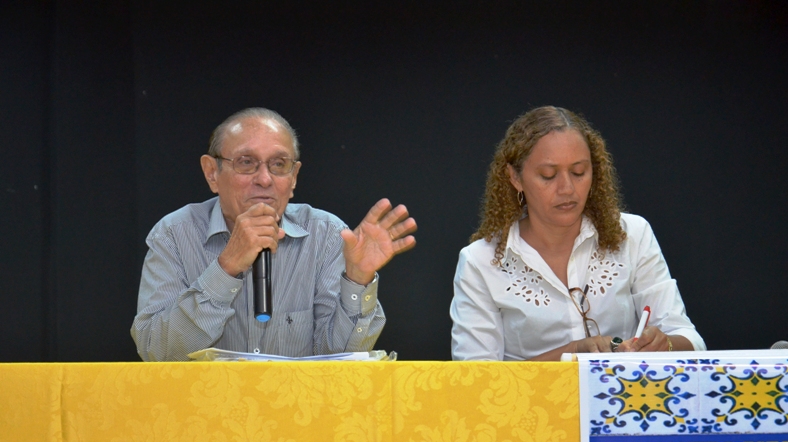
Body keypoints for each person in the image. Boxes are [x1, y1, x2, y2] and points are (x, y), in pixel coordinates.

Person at [132, 107, 417, 361]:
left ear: (293, 178)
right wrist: (226, 267)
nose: (264, 179)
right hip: (207, 404)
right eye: (246, 162)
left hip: (300, 404)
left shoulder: (328, 236)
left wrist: (357, 279)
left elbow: (340, 360)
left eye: (279, 164)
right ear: (211, 173)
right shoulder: (174, 235)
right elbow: (155, 351)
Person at [450, 106, 705, 361]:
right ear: (515, 178)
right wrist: (573, 353)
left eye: (579, 172)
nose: (567, 188)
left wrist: (665, 344)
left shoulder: (633, 234)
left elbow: (691, 340)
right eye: (548, 175)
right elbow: (475, 377)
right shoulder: (479, 261)